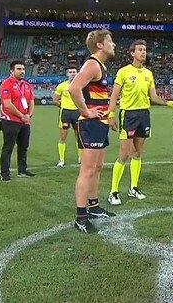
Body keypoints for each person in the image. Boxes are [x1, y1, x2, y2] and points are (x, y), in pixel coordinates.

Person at [106, 39, 173, 205]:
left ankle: (133, 188)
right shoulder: (123, 72)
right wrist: (110, 114)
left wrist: (170, 103)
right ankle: (113, 192)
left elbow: (154, 97)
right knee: (123, 154)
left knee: (137, 153)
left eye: (145, 50)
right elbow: (114, 95)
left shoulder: (148, 74)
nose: (143, 52)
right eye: (140, 50)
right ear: (132, 53)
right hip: (128, 115)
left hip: (144, 114)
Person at [68, 29, 117, 233]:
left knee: (97, 168)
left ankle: (94, 207)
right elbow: (73, 88)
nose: (113, 44)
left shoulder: (101, 66)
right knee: (87, 170)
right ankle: (81, 217)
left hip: (101, 123)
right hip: (90, 124)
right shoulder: (92, 64)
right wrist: (86, 112)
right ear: (100, 45)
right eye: (110, 41)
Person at [0, 60, 36, 181]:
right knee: (8, 147)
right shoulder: (6, 84)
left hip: (24, 121)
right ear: (12, 71)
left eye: (23, 69)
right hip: (10, 121)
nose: (22, 71)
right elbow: (7, 104)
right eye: (19, 69)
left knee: (23, 147)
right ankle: (5, 173)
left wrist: (29, 115)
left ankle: (22, 170)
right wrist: (22, 115)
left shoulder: (26, 85)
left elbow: (31, 101)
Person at [52, 66, 81, 167]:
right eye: (70, 72)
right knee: (63, 136)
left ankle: (80, 158)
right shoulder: (62, 86)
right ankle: (61, 159)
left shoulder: (81, 85)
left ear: (77, 73)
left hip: (77, 112)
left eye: (74, 72)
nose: (72, 73)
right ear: (67, 74)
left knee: (79, 136)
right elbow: (55, 100)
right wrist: (63, 106)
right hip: (65, 113)